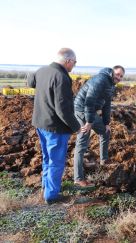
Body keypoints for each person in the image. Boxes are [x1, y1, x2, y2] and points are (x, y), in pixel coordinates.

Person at [27, 48, 80, 204]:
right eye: (74, 63)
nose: (74, 66)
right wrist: (76, 127)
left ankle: (47, 187)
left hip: (40, 123)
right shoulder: (62, 77)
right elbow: (62, 109)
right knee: (56, 161)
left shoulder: (42, 71)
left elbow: (30, 82)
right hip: (55, 127)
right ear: (68, 61)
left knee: (47, 157)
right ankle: (51, 196)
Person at [73, 65, 125, 187]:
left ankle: (104, 161)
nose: (119, 77)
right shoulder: (100, 80)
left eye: (121, 76)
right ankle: (78, 179)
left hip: (90, 113)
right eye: (117, 74)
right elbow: (89, 102)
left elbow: (107, 105)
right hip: (81, 110)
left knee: (105, 132)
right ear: (112, 72)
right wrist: (89, 122)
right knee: (82, 142)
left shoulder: (111, 84)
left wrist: (106, 123)